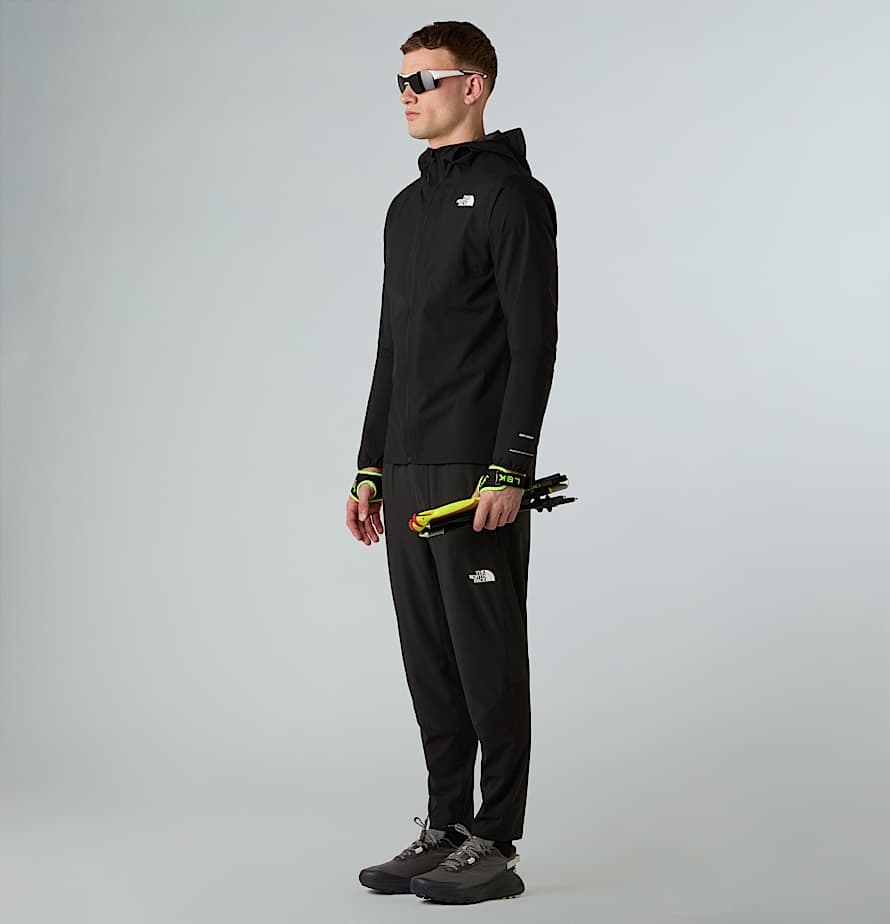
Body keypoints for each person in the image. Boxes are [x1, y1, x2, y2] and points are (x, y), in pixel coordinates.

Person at [345, 20, 558, 905]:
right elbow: (392, 346)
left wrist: (511, 466)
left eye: (423, 80)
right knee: (429, 658)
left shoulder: (513, 196)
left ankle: (494, 841)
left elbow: (534, 339)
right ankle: (443, 825)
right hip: (408, 467)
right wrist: (369, 467)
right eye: (400, 81)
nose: (407, 95)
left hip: (475, 469)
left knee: (485, 656)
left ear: (473, 86)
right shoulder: (407, 208)